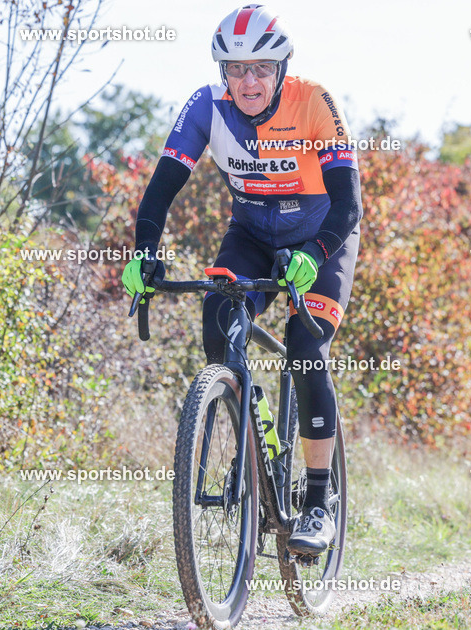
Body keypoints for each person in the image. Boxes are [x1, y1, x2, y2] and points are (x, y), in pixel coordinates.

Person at [122, 4, 363, 555]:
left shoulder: (315, 100)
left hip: (322, 235)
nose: (247, 81)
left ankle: (319, 500)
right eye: (235, 69)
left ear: (281, 69)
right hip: (252, 234)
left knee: (304, 346)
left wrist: (316, 252)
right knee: (219, 318)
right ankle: (253, 446)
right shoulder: (206, 106)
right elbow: (161, 189)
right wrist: (144, 255)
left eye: (259, 68)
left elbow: (349, 203)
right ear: (221, 72)